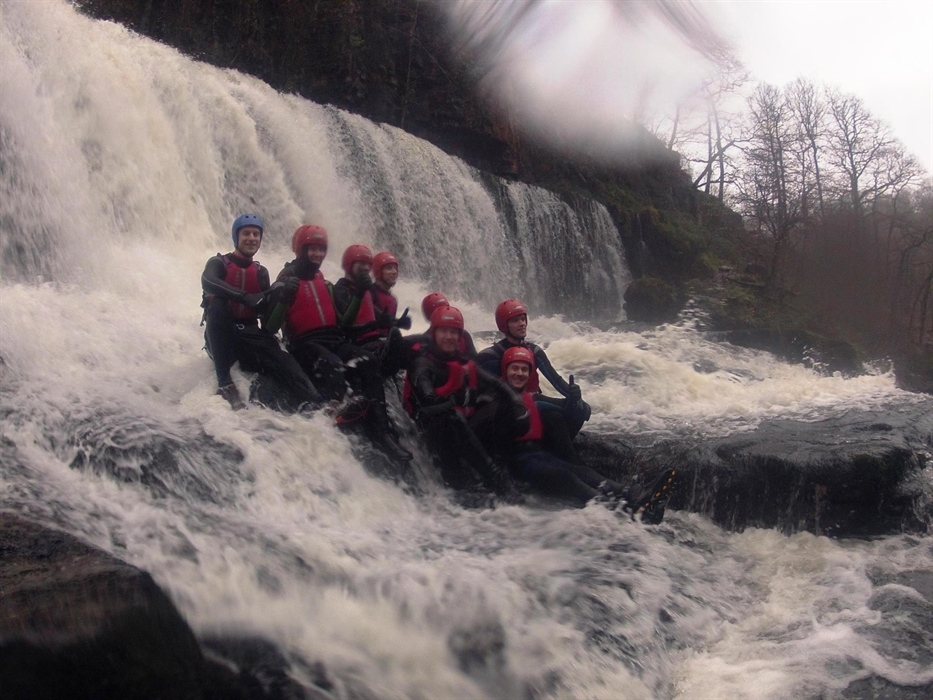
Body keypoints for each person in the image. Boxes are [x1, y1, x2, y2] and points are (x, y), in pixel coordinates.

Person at [268, 226, 412, 462]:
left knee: (368, 361)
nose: (317, 254)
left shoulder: (324, 283)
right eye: (312, 249)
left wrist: (359, 294)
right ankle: (336, 411)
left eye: (321, 249)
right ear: (300, 250)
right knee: (332, 363)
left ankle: (382, 432)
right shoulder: (285, 281)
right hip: (303, 342)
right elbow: (270, 327)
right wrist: (284, 299)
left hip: (333, 337)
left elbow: (343, 322)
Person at [496, 347, 676, 520]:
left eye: (524, 369)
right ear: (505, 370)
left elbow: (571, 409)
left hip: (539, 456)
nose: (519, 373)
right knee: (566, 477)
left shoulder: (533, 398)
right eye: (515, 368)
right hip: (517, 463)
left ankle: (636, 495)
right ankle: (623, 512)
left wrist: (574, 399)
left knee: (581, 470)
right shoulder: (495, 399)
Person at [200, 214, 323, 411]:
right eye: (246, 233)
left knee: (283, 359)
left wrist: (282, 297)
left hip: (248, 336)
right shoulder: (218, 263)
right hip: (220, 338)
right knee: (218, 306)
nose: (252, 238)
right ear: (236, 237)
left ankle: (318, 403)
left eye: (256, 234)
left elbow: (267, 324)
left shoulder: (261, 272)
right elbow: (207, 281)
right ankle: (225, 383)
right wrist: (244, 296)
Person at [402, 305, 526, 500]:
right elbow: (428, 405)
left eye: (454, 332)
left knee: (502, 403)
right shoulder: (422, 364)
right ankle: (493, 476)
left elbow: (496, 384)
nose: (450, 337)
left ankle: (502, 463)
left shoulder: (460, 361)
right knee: (451, 416)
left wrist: (516, 403)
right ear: (434, 333)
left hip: (460, 429)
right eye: (444, 331)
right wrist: (455, 400)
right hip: (429, 434)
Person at [476, 298, 590, 438]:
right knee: (550, 412)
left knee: (581, 409)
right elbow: (480, 393)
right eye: (515, 320)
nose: (522, 324)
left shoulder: (535, 351)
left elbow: (556, 380)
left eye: (523, 319)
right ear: (504, 325)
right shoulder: (490, 356)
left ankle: (557, 447)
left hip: (534, 405)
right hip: (506, 412)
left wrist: (574, 394)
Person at [333, 245, 406, 375]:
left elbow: (376, 315)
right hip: (357, 343)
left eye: (368, 265)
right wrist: (377, 324)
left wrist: (396, 322)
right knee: (394, 339)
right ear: (349, 264)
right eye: (361, 263)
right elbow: (344, 325)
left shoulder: (365, 290)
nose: (366, 268)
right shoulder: (341, 289)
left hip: (374, 341)